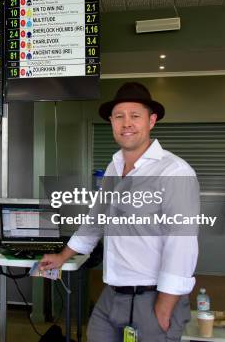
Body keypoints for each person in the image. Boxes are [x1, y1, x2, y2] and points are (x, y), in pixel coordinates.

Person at [40, 82, 199, 341]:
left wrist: (166, 303)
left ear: (152, 121)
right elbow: (95, 221)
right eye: (119, 116)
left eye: (135, 116)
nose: (127, 123)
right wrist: (63, 256)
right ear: (112, 122)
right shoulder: (114, 167)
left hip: (153, 296)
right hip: (112, 293)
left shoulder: (174, 171)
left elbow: (181, 243)